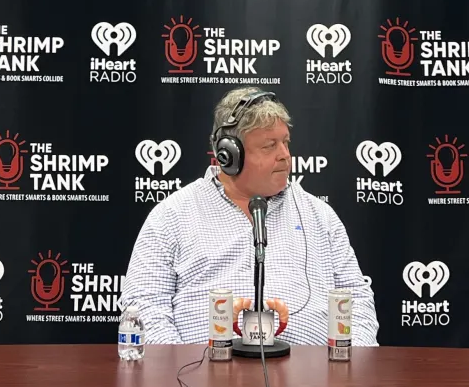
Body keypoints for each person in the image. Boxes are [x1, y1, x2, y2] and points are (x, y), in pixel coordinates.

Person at [120, 87, 379, 346]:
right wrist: (178, 375)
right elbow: (144, 305)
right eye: (269, 146)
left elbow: (356, 300)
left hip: (311, 381)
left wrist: (347, 373)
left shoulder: (320, 217)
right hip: (200, 378)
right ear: (229, 155)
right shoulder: (172, 216)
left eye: (285, 142)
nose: (284, 155)